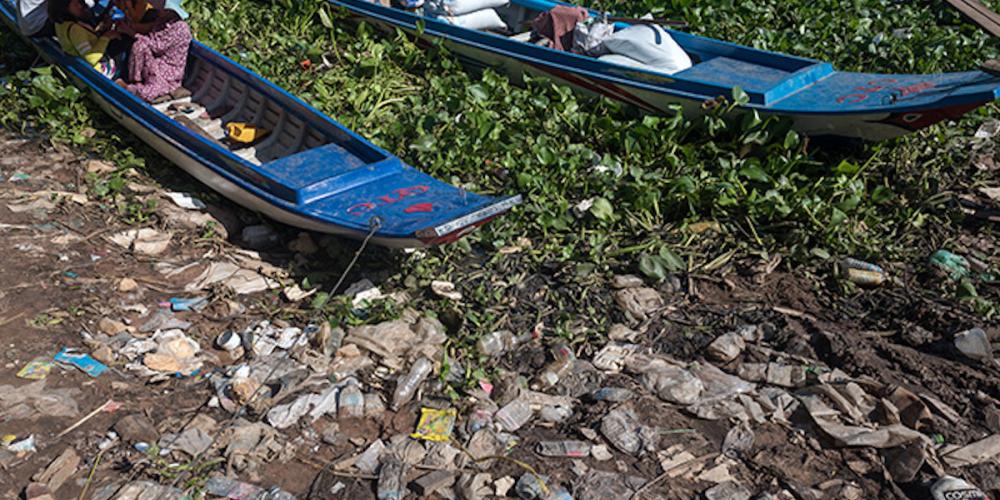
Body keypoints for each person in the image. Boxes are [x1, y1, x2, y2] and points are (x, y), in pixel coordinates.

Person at [115, 0, 191, 102]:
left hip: (167, 71)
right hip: (154, 63)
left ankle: (131, 89)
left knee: (150, 92)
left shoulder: (180, 27)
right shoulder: (162, 19)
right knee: (139, 45)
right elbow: (149, 33)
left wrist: (132, 33)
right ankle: (135, 81)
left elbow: (156, 46)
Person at [48, 0, 129, 78]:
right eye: (76, 4)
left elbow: (84, 40)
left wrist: (102, 29)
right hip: (101, 72)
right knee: (126, 44)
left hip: (80, 67)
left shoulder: (60, 24)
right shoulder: (75, 30)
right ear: (63, 7)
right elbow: (91, 59)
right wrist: (106, 37)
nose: (81, 5)